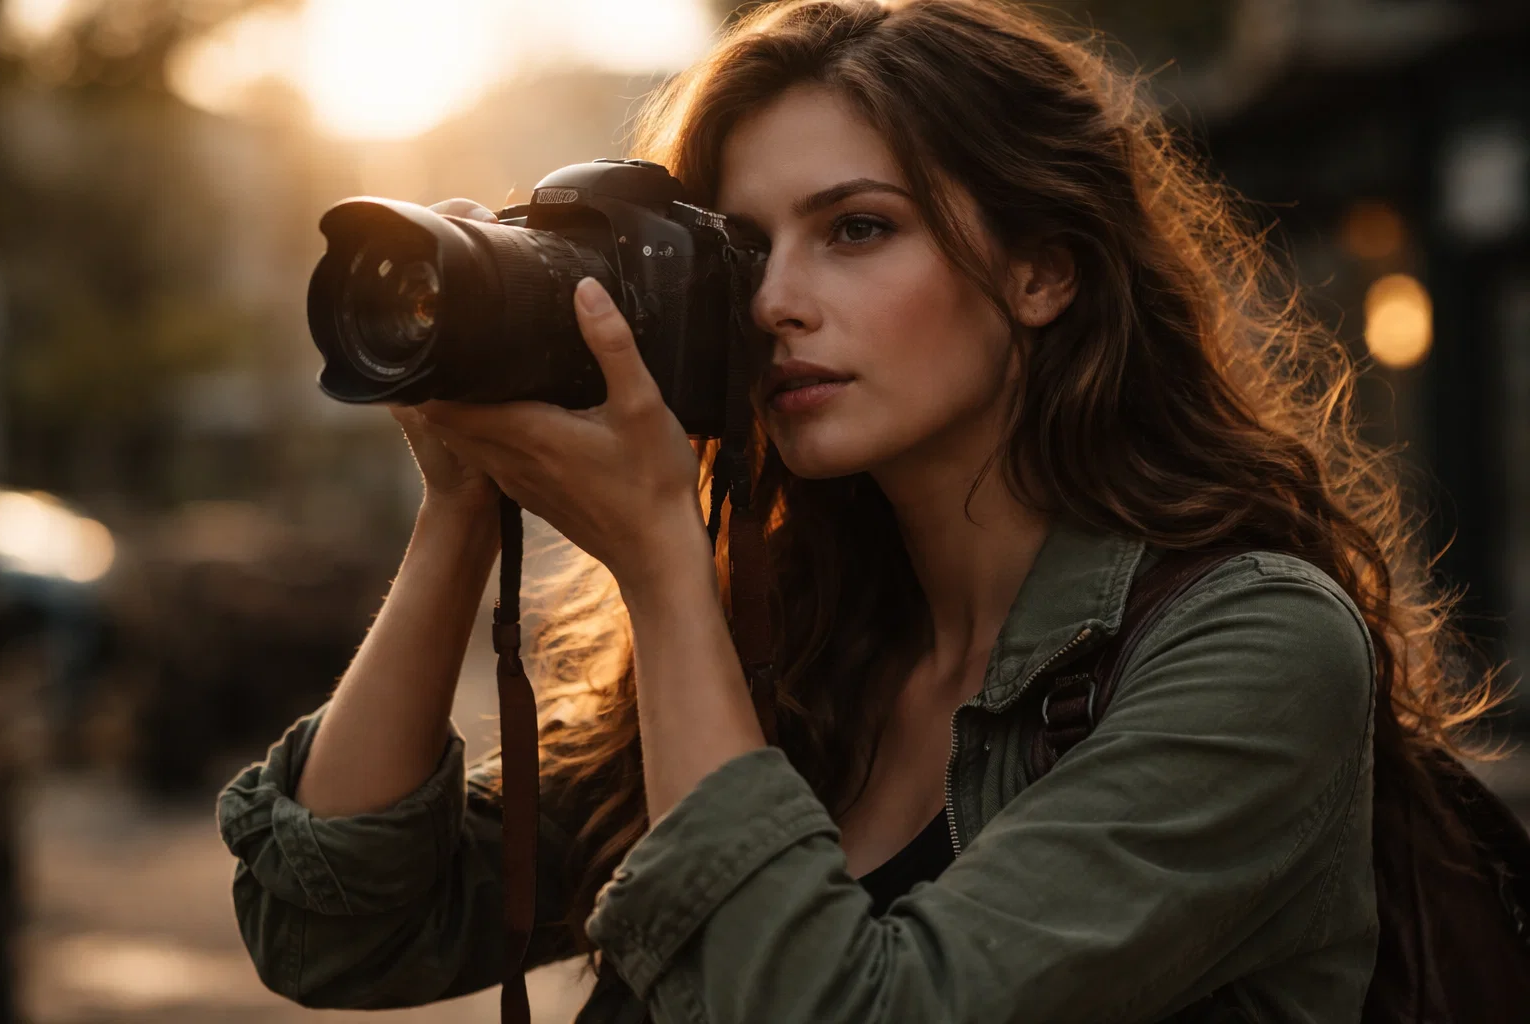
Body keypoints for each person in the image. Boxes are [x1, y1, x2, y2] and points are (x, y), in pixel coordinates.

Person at [217, 1, 1495, 1021]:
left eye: (858, 229)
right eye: (744, 247)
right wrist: (460, 501)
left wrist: (663, 559)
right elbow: (342, 928)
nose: (775, 299)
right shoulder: (801, 641)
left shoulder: (1252, 648)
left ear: (1043, 268)